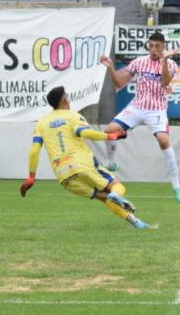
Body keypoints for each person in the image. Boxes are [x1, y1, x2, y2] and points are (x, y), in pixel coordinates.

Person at [20, 86, 154, 229]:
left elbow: (34, 150)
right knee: (116, 186)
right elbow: (84, 133)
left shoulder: (41, 123)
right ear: (65, 100)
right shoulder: (72, 116)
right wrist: (109, 136)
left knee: (103, 197)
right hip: (82, 164)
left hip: (63, 175)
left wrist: (31, 177)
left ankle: (136, 223)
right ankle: (116, 195)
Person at [100, 31, 180, 203]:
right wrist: (110, 67)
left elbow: (165, 82)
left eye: (158, 46)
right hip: (138, 106)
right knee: (110, 130)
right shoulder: (139, 62)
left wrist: (164, 60)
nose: (154, 49)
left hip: (157, 109)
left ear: (164, 47)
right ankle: (111, 162)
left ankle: (176, 185)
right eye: (151, 45)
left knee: (163, 140)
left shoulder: (171, 63)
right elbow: (119, 82)